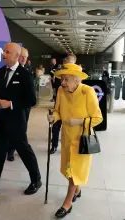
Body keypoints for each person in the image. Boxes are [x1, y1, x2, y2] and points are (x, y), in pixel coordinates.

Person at [0, 43, 42, 197]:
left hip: (17, 122)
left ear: (16, 56)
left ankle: (36, 180)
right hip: (1, 121)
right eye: (4, 51)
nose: (3, 53)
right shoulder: (0, 72)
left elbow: (31, 100)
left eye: (7, 52)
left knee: (24, 151)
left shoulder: (25, 75)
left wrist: (10, 104)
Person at [47, 63, 103, 218]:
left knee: (74, 172)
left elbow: (98, 118)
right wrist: (53, 117)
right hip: (66, 137)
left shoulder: (88, 92)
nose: (62, 83)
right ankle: (77, 190)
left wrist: (79, 121)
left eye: (66, 79)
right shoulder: (60, 91)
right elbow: (58, 111)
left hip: (82, 139)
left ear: (77, 81)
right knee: (69, 170)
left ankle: (67, 202)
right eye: (62, 79)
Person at [50, 53, 77, 154]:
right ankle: (54, 145)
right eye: (66, 63)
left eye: (70, 63)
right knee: (56, 125)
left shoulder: (78, 75)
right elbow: (58, 86)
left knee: (71, 127)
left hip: (73, 106)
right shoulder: (60, 73)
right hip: (61, 102)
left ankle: (70, 147)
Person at [7, 47, 31, 161]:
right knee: (13, 129)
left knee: (22, 128)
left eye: (26, 57)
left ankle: (19, 148)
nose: (24, 59)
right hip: (13, 106)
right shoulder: (9, 71)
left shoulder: (27, 70)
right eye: (22, 56)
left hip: (25, 106)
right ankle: (11, 151)